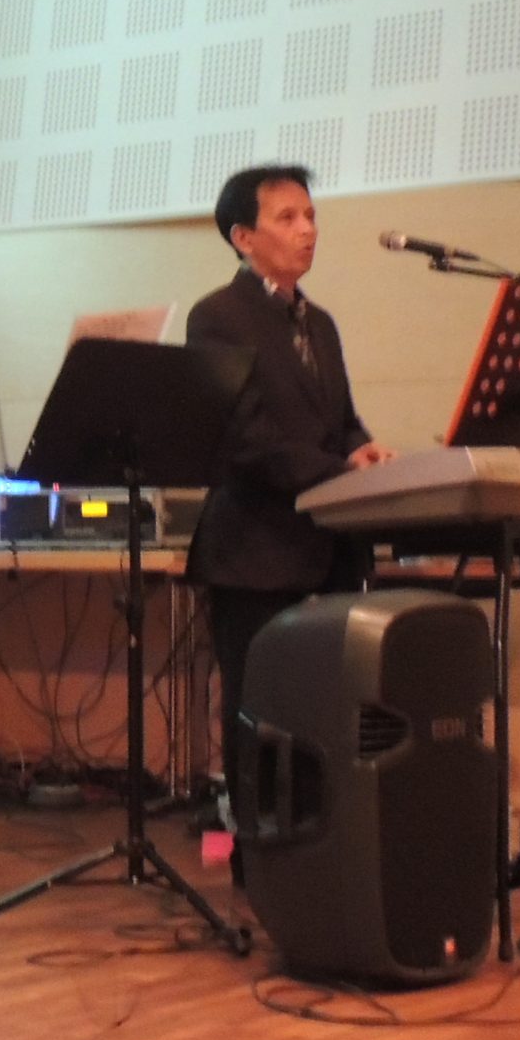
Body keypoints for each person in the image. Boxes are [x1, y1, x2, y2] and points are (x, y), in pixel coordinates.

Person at [185, 164, 394, 864]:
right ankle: (260, 866)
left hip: (326, 549)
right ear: (243, 237)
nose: (307, 230)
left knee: (323, 714)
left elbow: (342, 420)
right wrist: (341, 470)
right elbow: (244, 439)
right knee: (260, 714)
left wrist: (364, 449)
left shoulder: (321, 324)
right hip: (256, 553)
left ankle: (317, 859)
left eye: (310, 215)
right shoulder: (217, 316)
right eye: (287, 218)